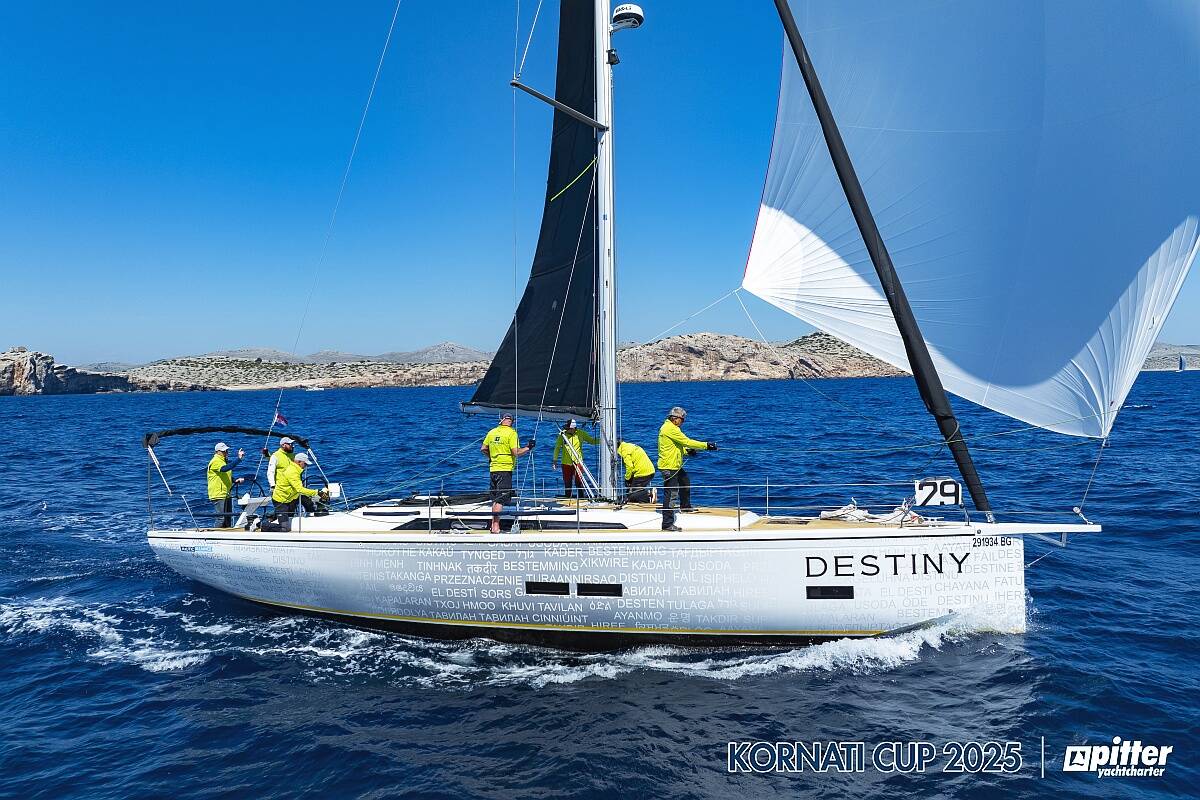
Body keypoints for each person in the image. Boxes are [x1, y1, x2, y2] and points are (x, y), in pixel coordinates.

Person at [657, 406, 717, 531]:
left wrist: (687, 452)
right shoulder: (670, 428)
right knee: (671, 494)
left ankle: (685, 506)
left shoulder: (671, 428)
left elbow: (676, 447)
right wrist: (706, 445)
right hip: (669, 467)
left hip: (675, 466)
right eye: (682, 420)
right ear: (675, 419)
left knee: (685, 482)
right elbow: (686, 441)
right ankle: (667, 524)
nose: (683, 422)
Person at [481, 413, 534, 534]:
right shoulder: (512, 433)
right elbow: (516, 452)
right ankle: (495, 527)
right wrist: (528, 448)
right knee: (501, 499)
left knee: (495, 499)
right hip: (505, 469)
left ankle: (493, 525)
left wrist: (491, 457)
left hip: (493, 469)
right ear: (512, 422)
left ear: (501, 420)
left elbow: (483, 448)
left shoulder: (492, 432)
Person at [270, 452, 326, 532]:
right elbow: (299, 489)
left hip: (291, 498)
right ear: (299, 462)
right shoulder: (292, 472)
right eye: (305, 464)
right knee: (285, 528)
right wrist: (317, 492)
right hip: (281, 500)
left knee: (306, 502)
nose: (306, 466)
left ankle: (313, 511)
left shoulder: (297, 470)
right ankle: (261, 525)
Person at [551, 419, 597, 498]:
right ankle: (567, 497)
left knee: (579, 482)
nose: (566, 430)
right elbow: (557, 448)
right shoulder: (562, 435)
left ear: (573, 429)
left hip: (578, 461)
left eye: (568, 428)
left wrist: (603, 441)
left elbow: (591, 441)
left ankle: (582, 497)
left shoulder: (581, 434)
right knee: (567, 482)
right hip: (566, 462)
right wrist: (555, 461)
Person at [207, 442, 245, 527]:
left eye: (227, 450)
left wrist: (235, 480)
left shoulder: (223, 461)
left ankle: (227, 536)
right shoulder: (215, 461)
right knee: (221, 518)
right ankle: (215, 537)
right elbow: (224, 469)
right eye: (224, 451)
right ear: (218, 452)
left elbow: (225, 475)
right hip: (218, 494)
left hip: (226, 493)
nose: (226, 452)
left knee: (228, 518)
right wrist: (239, 459)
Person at [616, 438, 655, 503]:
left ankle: (648, 496)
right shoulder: (628, 446)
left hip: (642, 473)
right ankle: (644, 496)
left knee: (633, 493)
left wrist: (627, 478)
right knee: (632, 490)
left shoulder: (624, 451)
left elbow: (629, 466)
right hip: (649, 470)